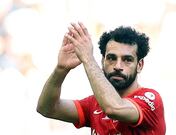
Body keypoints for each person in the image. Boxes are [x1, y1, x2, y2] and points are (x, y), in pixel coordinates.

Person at [37, 22, 166, 135]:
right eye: (111, 58)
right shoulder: (94, 103)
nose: (118, 66)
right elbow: (47, 108)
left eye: (127, 60)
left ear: (139, 65)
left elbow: (114, 108)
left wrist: (88, 58)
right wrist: (61, 69)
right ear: (103, 61)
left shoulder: (150, 100)